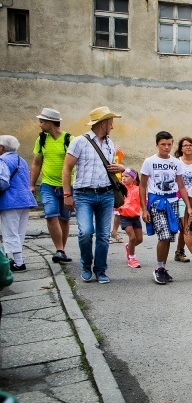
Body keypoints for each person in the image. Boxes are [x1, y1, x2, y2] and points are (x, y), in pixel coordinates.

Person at [61, 106, 126, 284]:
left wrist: (120, 168)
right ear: (103, 123)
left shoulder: (110, 144)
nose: (112, 126)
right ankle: (86, 265)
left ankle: (100, 270)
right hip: (84, 195)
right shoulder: (79, 142)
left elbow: (110, 169)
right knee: (86, 232)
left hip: (106, 194)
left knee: (104, 235)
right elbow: (66, 168)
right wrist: (67, 194)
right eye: (111, 122)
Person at [139, 131, 192, 285]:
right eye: (163, 144)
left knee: (169, 236)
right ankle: (158, 268)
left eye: (169, 144)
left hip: (173, 201)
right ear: (157, 145)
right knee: (163, 235)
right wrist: (144, 209)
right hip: (157, 202)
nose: (166, 147)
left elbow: (181, 186)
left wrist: (188, 206)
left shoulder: (176, 162)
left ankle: (163, 268)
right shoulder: (149, 161)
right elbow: (142, 186)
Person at [29, 108, 72, 263]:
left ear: (50, 122)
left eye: (41, 121)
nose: (39, 124)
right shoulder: (41, 140)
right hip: (47, 184)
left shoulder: (69, 139)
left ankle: (62, 251)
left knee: (64, 219)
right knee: (50, 214)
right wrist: (31, 185)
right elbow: (36, 163)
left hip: (67, 186)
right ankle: (59, 249)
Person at [0, 135, 38, 271]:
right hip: (25, 200)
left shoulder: (2, 160)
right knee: (19, 232)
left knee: (10, 232)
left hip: (10, 201)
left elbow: (2, 182)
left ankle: (18, 263)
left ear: (2, 147)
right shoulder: (21, 160)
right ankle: (15, 260)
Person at [173, 136, 192, 266]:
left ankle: (179, 252)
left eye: (190, 145)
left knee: (184, 226)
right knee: (186, 225)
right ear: (181, 149)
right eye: (185, 145)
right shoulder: (176, 162)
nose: (188, 147)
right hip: (179, 197)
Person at [118, 169, 143, 268]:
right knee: (132, 237)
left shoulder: (138, 189)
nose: (123, 178)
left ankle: (129, 247)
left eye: (126, 176)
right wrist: (118, 207)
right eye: (122, 176)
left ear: (133, 178)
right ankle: (132, 258)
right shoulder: (120, 189)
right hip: (124, 216)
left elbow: (143, 200)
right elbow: (115, 200)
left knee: (139, 239)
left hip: (135, 217)